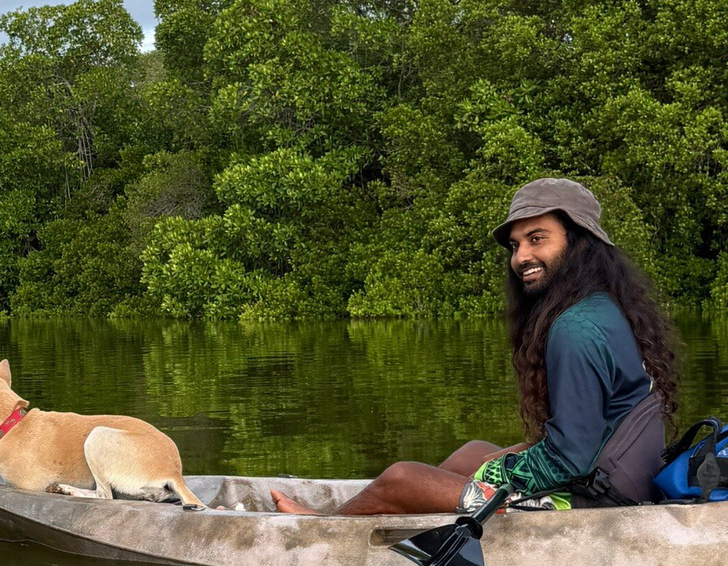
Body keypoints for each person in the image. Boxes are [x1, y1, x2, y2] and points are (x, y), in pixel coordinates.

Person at [272, 177, 680, 515]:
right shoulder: (602, 307)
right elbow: (587, 437)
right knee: (474, 453)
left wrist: (495, 476)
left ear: (580, 243)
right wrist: (492, 465)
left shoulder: (575, 326)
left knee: (402, 477)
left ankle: (319, 530)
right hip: (616, 478)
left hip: (596, 503)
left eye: (538, 239)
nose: (522, 257)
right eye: (516, 245)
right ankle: (414, 519)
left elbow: (570, 459)